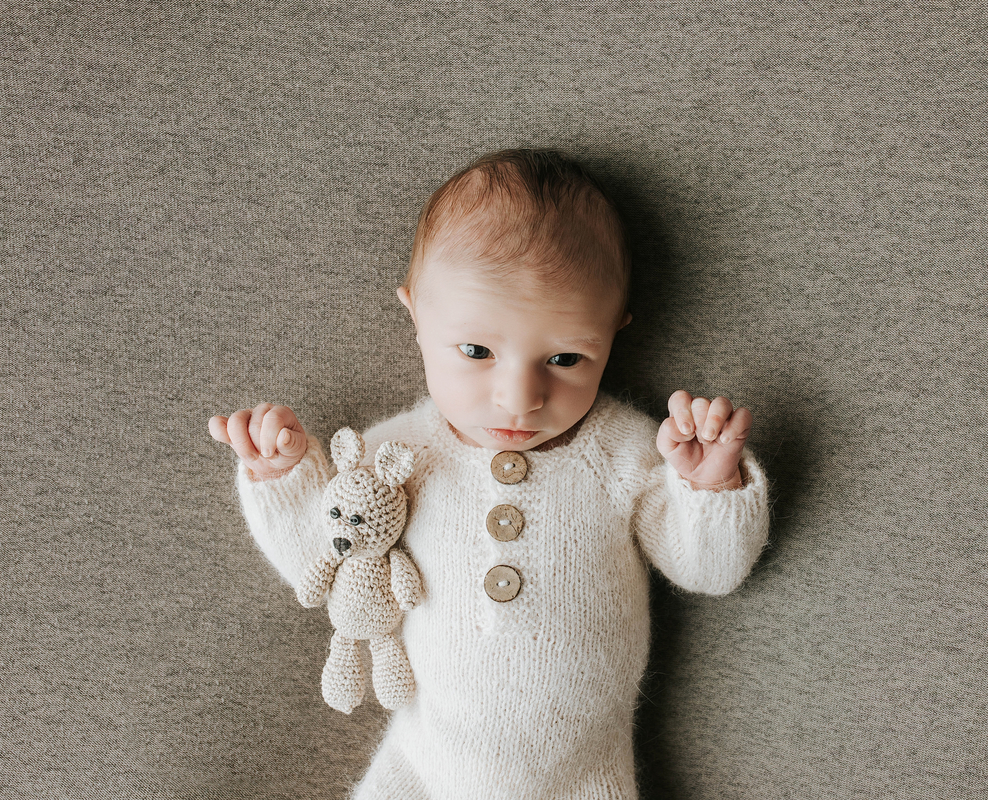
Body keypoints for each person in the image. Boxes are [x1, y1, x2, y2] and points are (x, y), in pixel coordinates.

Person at [208, 148, 770, 799]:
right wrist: (283, 477)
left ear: (614, 332)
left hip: (582, 775)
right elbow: (325, 557)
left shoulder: (626, 454)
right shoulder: (393, 455)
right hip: (423, 767)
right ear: (416, 315)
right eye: (476, 351)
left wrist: (709, 487)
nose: (519, 398)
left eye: (565, 358)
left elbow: (711, 571)